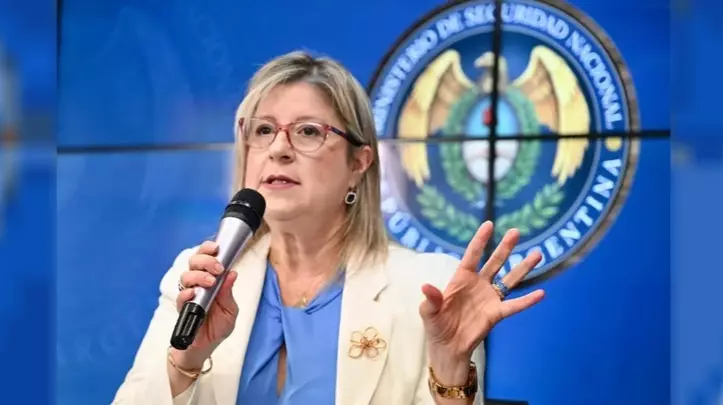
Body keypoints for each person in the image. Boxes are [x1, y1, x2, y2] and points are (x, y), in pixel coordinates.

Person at [112, 51, 545, 405]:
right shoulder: (199, 277)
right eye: (263, 130)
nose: (279, 148)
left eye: (307, 132)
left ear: (359, 163)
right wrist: (184, 363)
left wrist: (451, 372)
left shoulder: (426, 288)